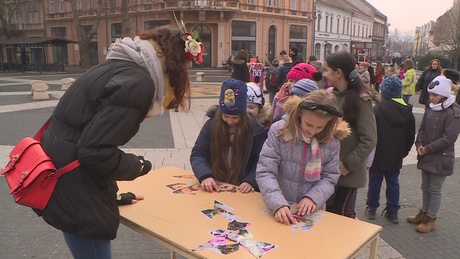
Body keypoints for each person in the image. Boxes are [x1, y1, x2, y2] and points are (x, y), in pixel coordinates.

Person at [35, 25, 199, 259]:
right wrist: (138, 166)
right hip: (77, 192)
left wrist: (112, 195)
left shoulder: (118, 66)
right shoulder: (138, 83)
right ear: (171, 61)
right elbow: (94, 152)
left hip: (65, 177)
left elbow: (86, 137)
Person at [256, 90, 350, 224]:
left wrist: (313, 198)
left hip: (311, 211)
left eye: (320, 127)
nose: (312, 131)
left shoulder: (332, 141)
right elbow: (265, 171)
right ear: (300, 113)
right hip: (278, 205)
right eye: (309, 124)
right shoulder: (280, 131)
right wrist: (277, 203)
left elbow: (330, 177)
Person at [323, 51, 378, 219]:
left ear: (338, 72)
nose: (323, 74)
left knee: (340, 219)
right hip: (328, 171)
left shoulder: (361, 101)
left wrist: (346, 165)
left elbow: (369, 139)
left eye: (326, 70)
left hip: (346, 175)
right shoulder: (333, 94)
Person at [190, 78, 267, 193]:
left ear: (243, 114)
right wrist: (205, 175)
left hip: (242, 188)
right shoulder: (211, 125)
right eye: (225, 116)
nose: (230, 121)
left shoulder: (256, 130)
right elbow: (198, 153)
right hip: (216, 183)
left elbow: (261, 161)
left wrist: (250, 181)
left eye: (235, 118)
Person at [407, 74, 460, 233]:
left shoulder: (454, 112)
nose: (431, 98)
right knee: (425, 186)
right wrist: (419, 144)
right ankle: (424, 212)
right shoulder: (431, 108)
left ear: (443, 95)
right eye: (430, 95)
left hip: (441, 157)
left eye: (434, 95)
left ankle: (431, 218)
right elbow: (422, 129)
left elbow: (448, 138)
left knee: (435, 188)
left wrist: (427, 148)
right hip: (427, 154)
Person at [365, 76, 416, 223]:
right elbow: (409, 136)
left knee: (375, 181)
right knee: (393, 182)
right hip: (396, 154)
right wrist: (404, 152)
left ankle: (372, 208)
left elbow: (371, 133)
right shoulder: (407, 112)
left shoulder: (378, 109)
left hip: (378, 154)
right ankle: (393, 211)